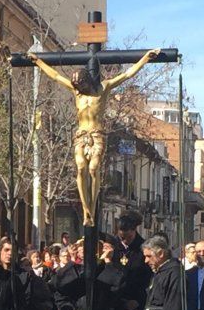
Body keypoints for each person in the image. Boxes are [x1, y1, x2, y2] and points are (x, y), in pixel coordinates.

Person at [28, 48, 160, 226]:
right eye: (77, 86)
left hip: (97, 134)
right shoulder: (77, 93)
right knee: (81, 167)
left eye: (81, 85)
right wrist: (38, 62)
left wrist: (145, 59)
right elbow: (55, 76)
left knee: (93, 168)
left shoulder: (103, 88)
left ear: (87, 81)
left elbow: (127, 75)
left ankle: (93, 202)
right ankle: (86, 210)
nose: (79, 88)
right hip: (81, 134)